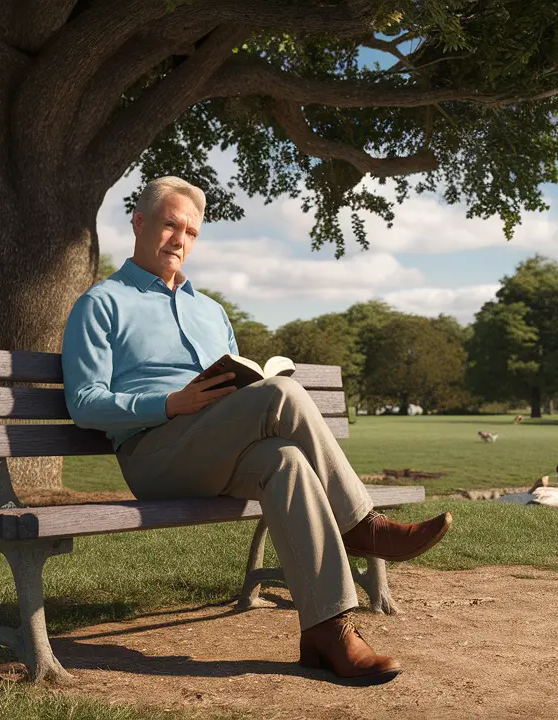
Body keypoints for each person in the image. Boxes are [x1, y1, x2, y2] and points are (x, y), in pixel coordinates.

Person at [61, 176, 453, 685]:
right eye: (169, 225)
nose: (180, 240)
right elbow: (84, 403)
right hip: (154, 456)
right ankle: (362, 526)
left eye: (192, 232)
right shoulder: (102, 303)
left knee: (284, 460)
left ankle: (326, 632)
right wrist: (170, 403)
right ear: (138, 223)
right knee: (284, 395)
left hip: (219, 449)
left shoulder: (212, 312)